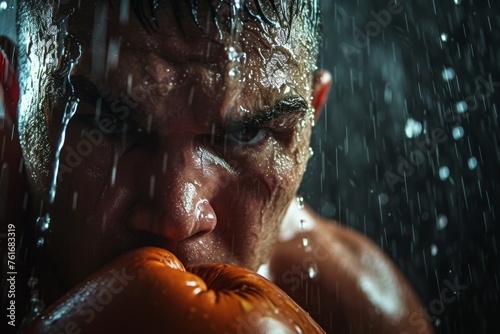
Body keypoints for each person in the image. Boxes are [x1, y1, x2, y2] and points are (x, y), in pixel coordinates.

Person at [1, 1, 432, 333]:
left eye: (246, 135)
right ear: (13, 100)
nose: (176, 216)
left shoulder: (354, 313)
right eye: (110, 123)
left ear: (310, 124)